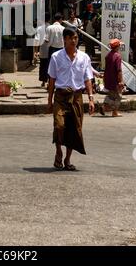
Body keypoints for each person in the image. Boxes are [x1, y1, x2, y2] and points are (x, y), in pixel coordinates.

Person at [47, 27, 95, 171]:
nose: (74, 41)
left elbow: (88, 79)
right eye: (71, 38)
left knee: (74, 129)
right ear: (65, 39)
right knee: (59, 125)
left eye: (76, 38)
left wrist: (91, 99)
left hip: (76, 97)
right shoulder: (56, 57)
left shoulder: (84, 57)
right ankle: (58, 151)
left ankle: (67, 159)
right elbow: (52, 80)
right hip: (61, 96)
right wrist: (49, 100)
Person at [101, 38, 124, 117]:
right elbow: (119, 70)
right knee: (118, 96)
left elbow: (106, 68)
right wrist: (120, 81)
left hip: (108, 78)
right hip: (115, 79)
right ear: (117, 46)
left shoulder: (108, 55)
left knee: (111, 94)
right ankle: (114, 111)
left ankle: (104, 107)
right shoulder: (117, 56)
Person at [34, 12, 51, 86]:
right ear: (50, 19)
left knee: (43, 66)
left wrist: (36, 51)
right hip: (51, 50)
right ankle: (50, 81)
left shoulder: (39, 28)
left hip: (42, 50)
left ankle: (44, 81)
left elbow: (36, 40)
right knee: (50, 66)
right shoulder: (51, 27)